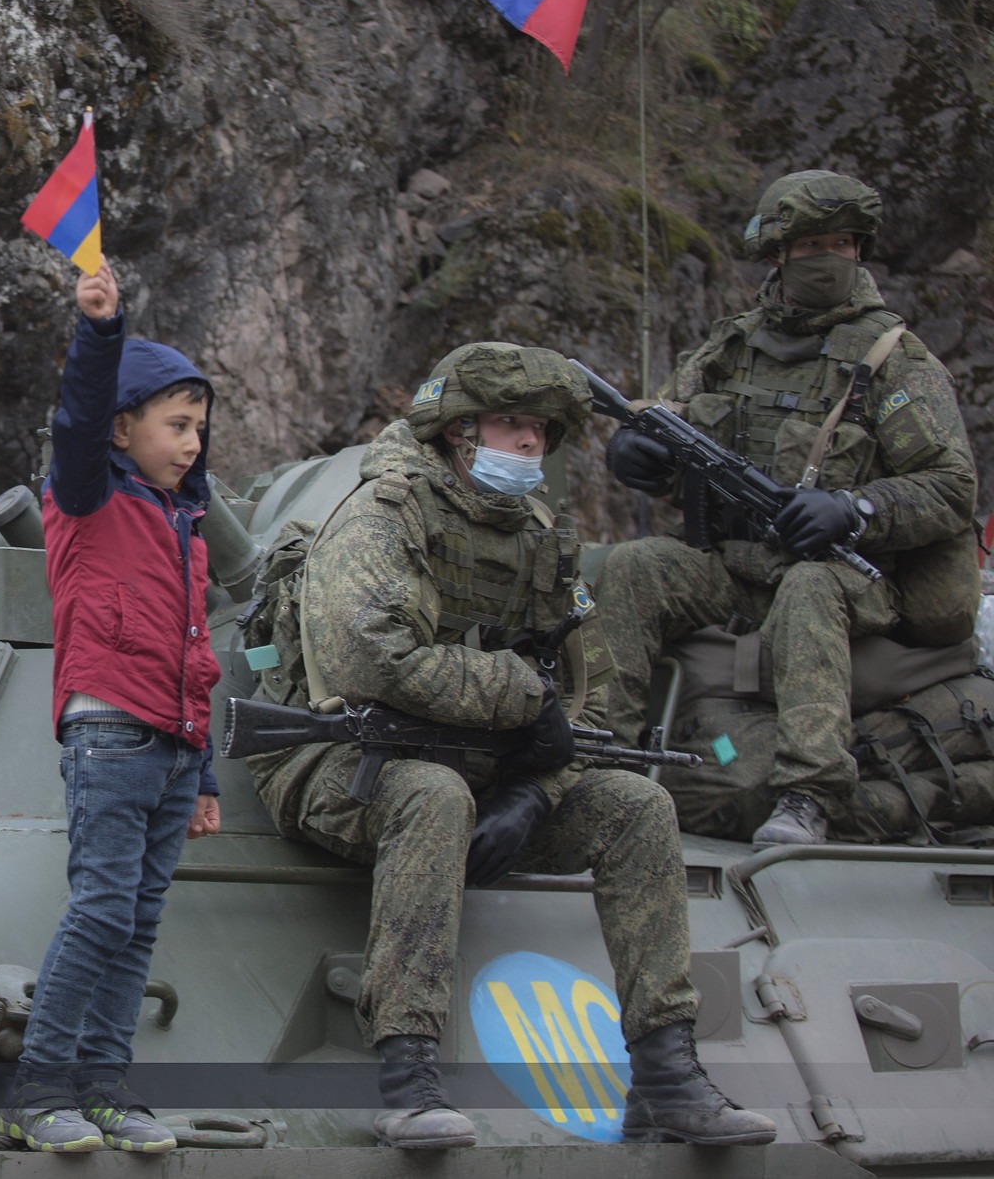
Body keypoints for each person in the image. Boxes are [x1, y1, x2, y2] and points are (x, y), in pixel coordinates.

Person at [243, 342, 775, 1149]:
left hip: (482, 769)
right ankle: (410, 1075)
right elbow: (369, 659)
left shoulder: (538, 535)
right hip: (334, 759)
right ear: (459, 430)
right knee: (432, 794)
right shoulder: (385, 511)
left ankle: (667, 1073)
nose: (529, 443)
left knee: (637, 805)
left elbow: (587, 688)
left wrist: (536, 793)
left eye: (540, 429)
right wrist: (519, 694)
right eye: (511, 424)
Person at [598, 171, 978, 848]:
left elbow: (951, 485)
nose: (828, 258)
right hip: (737, 566)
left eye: (842, 243)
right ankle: (604, 758)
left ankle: (809, 792)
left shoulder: (895, 361)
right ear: (776, 254)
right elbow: (666, 419)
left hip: (854, 574)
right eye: (811, 246)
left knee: (807, 587)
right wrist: (635, 452)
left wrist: (856, 508)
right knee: (634, 567)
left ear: (860, 250)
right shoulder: (731, 349)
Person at [0, 263, 223, 1154]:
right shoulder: (86, 501)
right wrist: (100, 331)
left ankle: (104, 1086)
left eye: (201, 427)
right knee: (99, 910)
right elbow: (78, 417)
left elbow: (196, 658)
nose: (194, 443)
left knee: (137, 921)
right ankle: (37, 1087)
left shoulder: (186, 531)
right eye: (177, 425)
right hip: (110, 732)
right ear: (126, 429)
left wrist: (203, 773)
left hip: (171, 748)